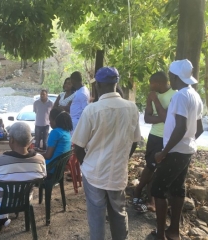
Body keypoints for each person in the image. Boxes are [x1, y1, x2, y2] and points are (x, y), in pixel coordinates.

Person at [72, 67, 141, 240]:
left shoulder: (92, 110)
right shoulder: (132, 108)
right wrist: (122, 159)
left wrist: (86, 164)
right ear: (115, 83)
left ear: (99, 85)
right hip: (118, 173)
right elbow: (135, 141)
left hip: (94, 173)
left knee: (96, 217)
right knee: (118, 213)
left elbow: (78, 146)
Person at [153, 59, 204, 240]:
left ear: (174, 77)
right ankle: (173, 232)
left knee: (158, 189)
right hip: (186, 151)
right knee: (177, 189)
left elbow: (181, 127)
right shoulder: (195, 96)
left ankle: (160, 234)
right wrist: (187, 143)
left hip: (175, 152)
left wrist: (164, 152)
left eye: (171, 76)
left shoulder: (181, 96)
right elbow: (199, 129)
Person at [0, 122, 46, 232]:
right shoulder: (40, 160)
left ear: (11, 140)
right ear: (29, 141)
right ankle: (3, 218)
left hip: (1, 203)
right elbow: (41, 179)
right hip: (24, 200)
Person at [133, 72, 176, 213]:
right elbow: (147, 118)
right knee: (150, 166)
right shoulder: (153, 94)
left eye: (151, 83)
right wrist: (151, 102)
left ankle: (140, 191)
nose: (150, 86)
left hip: (166, 137)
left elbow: (166, 118)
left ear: (158, 83)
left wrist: (156, 102)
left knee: (155, 167)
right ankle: (148, 199)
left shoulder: (174, 95)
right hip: (154, 136)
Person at [35, 107, 72, 173]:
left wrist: (34, 154)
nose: (49, 123)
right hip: (58, 169)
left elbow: (48, 156)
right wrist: (39, 151)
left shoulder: (55, 132)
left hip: (50, 168)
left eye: (50, 120)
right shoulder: (66, 132)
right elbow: (55, 152)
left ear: (56, 120)